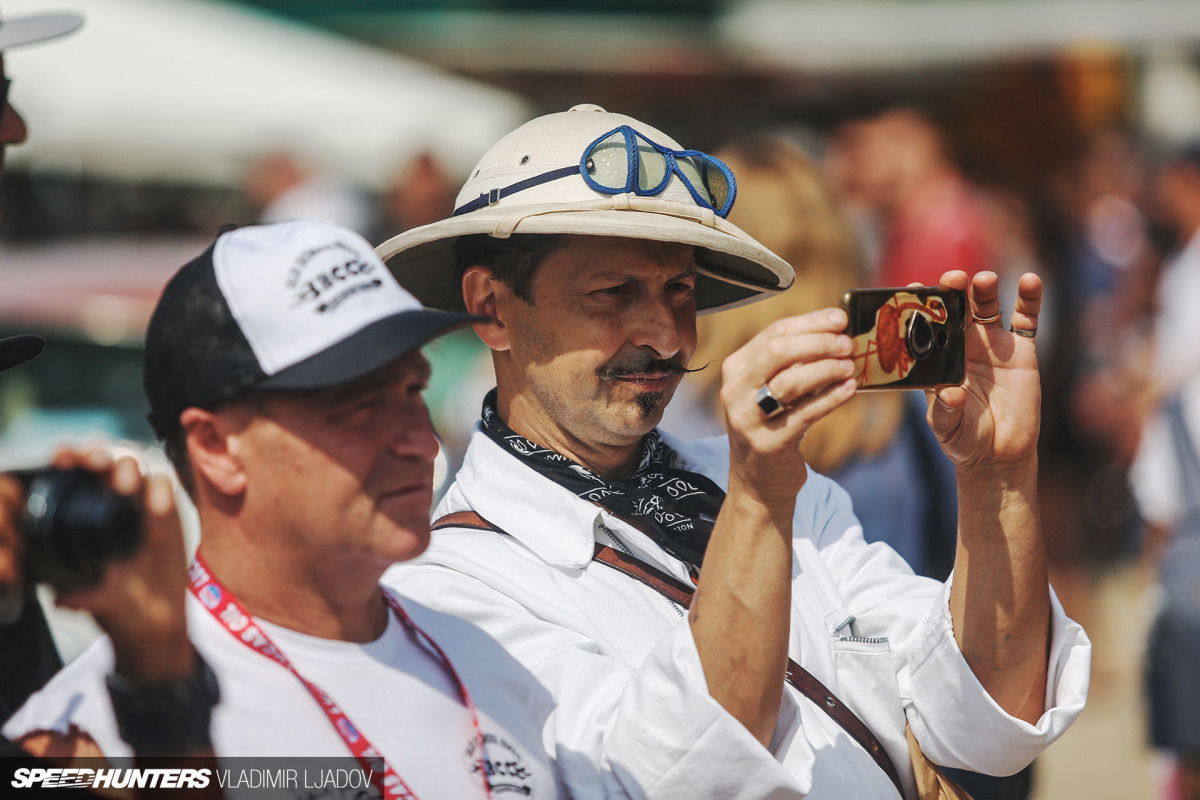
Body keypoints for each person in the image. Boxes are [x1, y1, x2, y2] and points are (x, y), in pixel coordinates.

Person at [377, 104, 1091, 799]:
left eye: (679, 288)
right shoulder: (447, 590)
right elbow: (689, 776)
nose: (665, 333)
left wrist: (998, 476)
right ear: (493, 308)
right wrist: (757, 496)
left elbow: (987, 720)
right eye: (613, 292)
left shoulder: (783, 488)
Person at [5, 220, 561, 800]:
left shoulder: (494, 667)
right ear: (218, 449)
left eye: (411, 392)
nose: (420, 442)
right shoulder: (89, 737)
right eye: (361, 404)